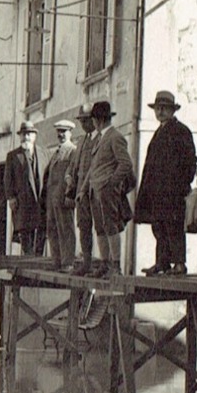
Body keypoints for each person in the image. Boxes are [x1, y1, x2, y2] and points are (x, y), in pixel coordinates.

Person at [135, 90, 197, 276]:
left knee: (174, 226)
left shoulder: (181, 131)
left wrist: (181, 185)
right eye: (158, 108)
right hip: (157, 191)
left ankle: (179, 264)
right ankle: (162, 263)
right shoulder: (159, 132)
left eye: (164, 109)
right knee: (159, 227)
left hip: (173, 191)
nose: (160, 112)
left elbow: (191, 161)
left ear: (172, 110)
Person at [83, 101, 134, 276]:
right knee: (100, 227)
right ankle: (105, 264)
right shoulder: (100, 138)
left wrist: (112, 184)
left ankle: (115, 267)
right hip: (95, 191)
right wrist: (84, 189)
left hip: (106, 190)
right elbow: (93, 167)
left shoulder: (115, 137)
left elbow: (125, 163)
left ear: (98, 120)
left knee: (111, 226)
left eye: (94, 120)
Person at [42, 119, 79, 269]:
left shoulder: (72, 151)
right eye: (59, 132)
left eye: (64, 132)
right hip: (52, 198)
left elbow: (73, 174)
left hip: (63, 197)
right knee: (52, 229)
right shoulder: (56, 153)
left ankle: (67, 262)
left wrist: (69, 194)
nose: (61, 135)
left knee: (66, 228)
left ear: (70, 133)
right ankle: (56, 261)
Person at [3, 122, 43, 254]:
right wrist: (11, 197)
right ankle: (28, 258)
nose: (26, 137)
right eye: (24, 134)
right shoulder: (13, 156)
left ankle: (37, 259)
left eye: (29, 134)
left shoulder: (43, 154)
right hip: (22, 202)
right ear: (20, 137)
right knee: (25, 233)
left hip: (39, 201)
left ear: (34, 136)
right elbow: (8, 179)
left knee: (40, 232)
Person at [68, 107, 98, 275]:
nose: (84, 124)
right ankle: (86, 262)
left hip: (95, 190)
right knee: (84, 226)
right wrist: (69, 177)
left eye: (86, 120)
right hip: (81, 191)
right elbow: (74, 164)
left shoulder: (99, 139)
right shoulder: (81, 141)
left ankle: (102, 263)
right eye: (81, 121)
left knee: (100, 226)